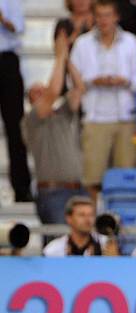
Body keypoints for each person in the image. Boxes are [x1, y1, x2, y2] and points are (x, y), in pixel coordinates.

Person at [70, 0, 136, 201]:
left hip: (125, 116)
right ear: (94, 17)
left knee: (125, 176)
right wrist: (94, 80)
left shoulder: (131, 41)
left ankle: (120, 221)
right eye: (100, 15)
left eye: (107, 15)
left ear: (116, 17)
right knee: (92, 178)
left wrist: (123, 80)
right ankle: (92, 222)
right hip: (95, 116)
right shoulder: (82, 43)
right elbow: (74, 80)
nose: (104, 20)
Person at [21, 31, 86, 226]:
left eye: (43, 89)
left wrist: (66, 58)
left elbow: (79, 88)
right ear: (30, 101)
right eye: (36, 92)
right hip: (53, 192)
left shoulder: (63, 114)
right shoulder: (31, 120)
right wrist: (59, 55)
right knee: (57, 242)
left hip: (77, 189)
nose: (43, 92)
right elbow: (53, 91)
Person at [0, 0, 32, 202]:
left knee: (15, 127)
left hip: (6, 61)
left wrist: (2, 18)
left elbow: (17, 27)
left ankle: (22, 189)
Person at [43, 196, 119, 256]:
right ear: (69, 218)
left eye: (91, 215)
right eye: (82, 215)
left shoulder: (105, 244)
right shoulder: (54, 249)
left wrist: (112, 259)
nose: (87, 219)